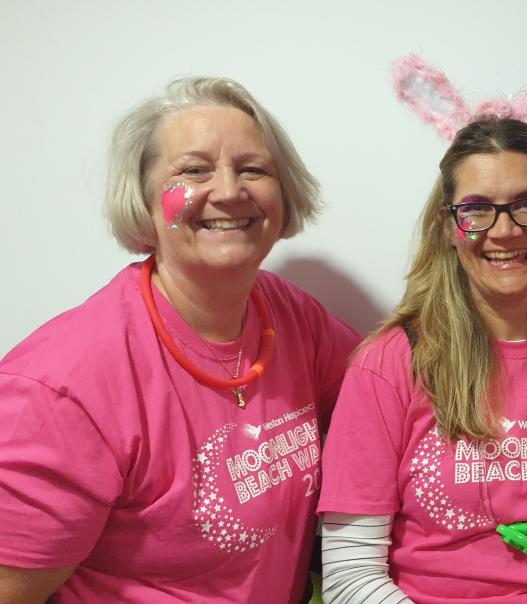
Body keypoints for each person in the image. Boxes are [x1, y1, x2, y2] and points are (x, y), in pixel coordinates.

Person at [0, 77, 362, 603]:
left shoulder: (287, 313)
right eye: (194, 170)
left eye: (253, 169)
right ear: (145, 200)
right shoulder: (59, 388)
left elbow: (388, 395)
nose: (230, 191)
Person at [316, 113, 527, 602]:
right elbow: (350, 573)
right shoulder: (391, 361)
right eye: (476, 209)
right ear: (449, 227)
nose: (505, 230)